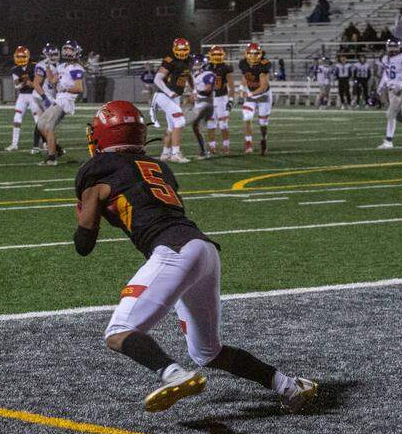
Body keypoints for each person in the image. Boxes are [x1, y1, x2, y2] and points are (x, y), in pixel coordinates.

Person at [72, 100, 317, 413]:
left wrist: (84, 212)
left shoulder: (96, 172)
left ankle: (173, 374)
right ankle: (290, 386)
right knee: (208, 351)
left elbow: (84, 244)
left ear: (104, 135)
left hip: (173, 252)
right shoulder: (159, 167)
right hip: (203, 250)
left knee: (118, 331)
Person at [37, 40, 85, 166]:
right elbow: (52, 81)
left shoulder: (76, 68)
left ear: (76, 52)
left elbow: (79, 89)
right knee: (41, 124)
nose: (67, 51)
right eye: (66, 49)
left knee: (48, 127)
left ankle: (52, 158)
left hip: (66, 101)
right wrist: (47, 66)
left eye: (70, 49)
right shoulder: (61, 66)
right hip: (58, 98)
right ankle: (57, 149)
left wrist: (65, 88)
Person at [154, 38, 193, 163]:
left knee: (172, 126)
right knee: (180, 121)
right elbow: (157, 79)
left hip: (175, 97)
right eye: (179, 50)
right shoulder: (169, 60)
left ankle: (165, 154)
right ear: (174, 49)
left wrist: (194, 89)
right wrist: (169, 92)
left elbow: (188, 75)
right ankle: (176, 153)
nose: (182, 53)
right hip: (164, 96)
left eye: (184, 50)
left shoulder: (189, 60)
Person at [238, 42, 272, 155]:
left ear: (260, 54)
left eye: (255, 54)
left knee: (263, 122)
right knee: (247, 117)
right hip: (250, 92)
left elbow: (263, 86)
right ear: (247, 54)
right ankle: (248, 144)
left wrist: (251, 95)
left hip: (264, 95)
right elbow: (245, 76)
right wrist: (242, 88)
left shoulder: (264, 64)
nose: (253, 56)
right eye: (250, 54)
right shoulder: (243, 63)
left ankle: (264, 140)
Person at [5, 46, 38, 152]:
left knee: (38, 120)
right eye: (18, 57)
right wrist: (24, 82)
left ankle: (46, 143)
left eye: (23, 56)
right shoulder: (15, 69)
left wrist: (31, 83)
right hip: (23, 96)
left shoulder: (35, 66)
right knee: (16, 118)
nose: (20, 59)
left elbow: (40, 83)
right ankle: (14, 144)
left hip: (34, 95)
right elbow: (17, 86)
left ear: (27, 56)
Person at [206, 46, 233, 154]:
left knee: (223, 124)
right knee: (211, 124)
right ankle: (212, 146)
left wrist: (230, 100)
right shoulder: (207, 67)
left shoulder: (226, 68)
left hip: (222, 98)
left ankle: (226, 146)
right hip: (210, 99)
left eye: (219, 55)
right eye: (215, 55)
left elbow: (231, 86)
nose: (217, 57)